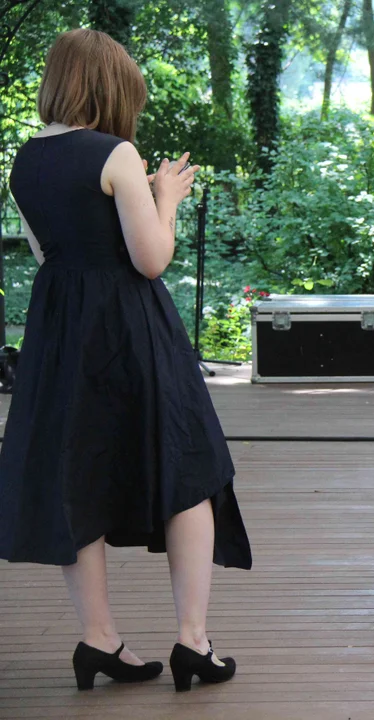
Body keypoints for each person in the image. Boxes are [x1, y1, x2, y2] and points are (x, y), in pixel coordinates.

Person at [0, 29, 251, 692]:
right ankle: (193, 641)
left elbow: (43, 252)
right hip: (129, 328)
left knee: (75, 474)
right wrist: (164, 195)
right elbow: (151, 258)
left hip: (59, 332)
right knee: (188, 463)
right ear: (109, 91)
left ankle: (99, 640)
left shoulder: (23, 162)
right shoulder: (116, 154)